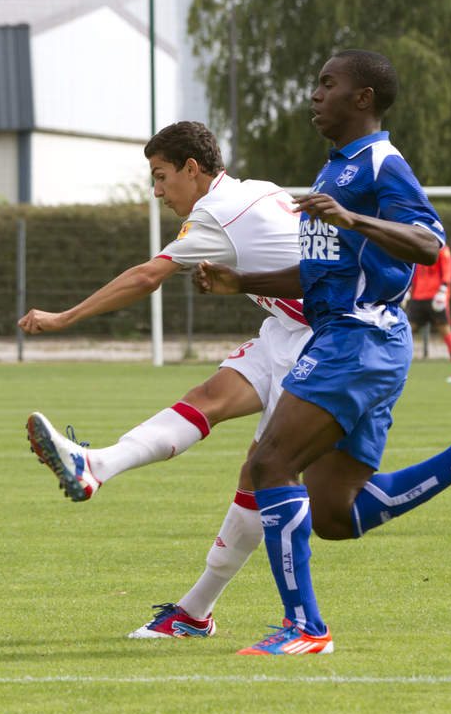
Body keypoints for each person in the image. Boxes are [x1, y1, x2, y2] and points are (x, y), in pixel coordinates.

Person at [193, 49, 451, 655]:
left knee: (269, 463)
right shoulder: (333, 171)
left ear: (364, 98)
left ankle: (305, 628)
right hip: (349, 339)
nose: (314, 95)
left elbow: (427, 242)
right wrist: (241, 283)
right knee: (333, 514)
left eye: (328, 83)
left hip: (361, 338)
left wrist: (351, 217)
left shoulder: (380, 161)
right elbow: (322, 273)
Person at [19, 120, 308, 638]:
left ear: (192, 169)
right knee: (208, 398)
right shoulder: (256, 190)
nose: (156, 191)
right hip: (287, 331)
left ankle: (198, 612)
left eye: (160, 176)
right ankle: (96, 464)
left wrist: (63, 318)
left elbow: (145, 276)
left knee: (266, 477)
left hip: (323, 342)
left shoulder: (216, 213)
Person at [406, 244, 451, 382]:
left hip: (436, 298)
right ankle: (395, 369)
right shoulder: (418, 248)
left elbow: (447, 270)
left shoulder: (442, 248)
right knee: (405, 333)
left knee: (446, 332)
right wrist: (408, 290)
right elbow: (414, 273)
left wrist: (443, 289)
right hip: (418, 298)